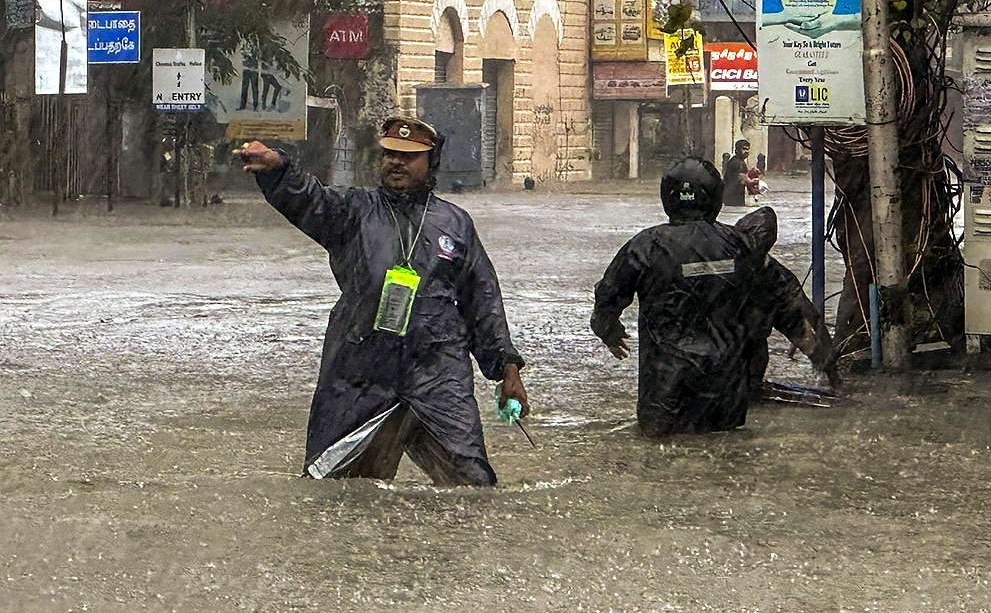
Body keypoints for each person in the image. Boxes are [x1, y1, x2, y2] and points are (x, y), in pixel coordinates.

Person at [238, 116, 530, 486]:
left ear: (431, 162)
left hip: (437, 369)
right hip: (362, 369)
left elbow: (482, 298)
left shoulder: (455, 224)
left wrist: (507, 369)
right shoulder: (352, 212)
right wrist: (277, 168)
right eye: (390, 154)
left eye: (408, 156)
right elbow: (310, 199)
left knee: (472, 488)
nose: (396, 162)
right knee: (332, 487)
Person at [591, 156, 761, 436]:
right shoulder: (740, 243)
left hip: (665, 389)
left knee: (660, 454)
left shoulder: (646, 245)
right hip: (726, 389)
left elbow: (608, 295)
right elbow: (776, 298)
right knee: (727, 451)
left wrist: (607, 329)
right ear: (716, 196)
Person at [735, 207, 840, 395]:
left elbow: (809, 320)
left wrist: (832, 373)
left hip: (746, 344)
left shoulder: (776, 278)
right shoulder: (721, 257)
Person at [722, 139, 752, 207]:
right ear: (737, 150)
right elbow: (743, 179)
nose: (746, 151)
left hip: (729, 198)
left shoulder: (734, 160)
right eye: (744, 149)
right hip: (734, 199)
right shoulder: (739, 163)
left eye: (748, 149)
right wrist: (755, 184)